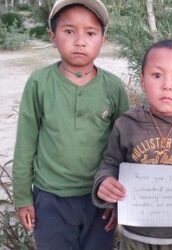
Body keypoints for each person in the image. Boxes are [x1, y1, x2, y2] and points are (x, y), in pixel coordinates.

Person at [12, 0, 130, 249]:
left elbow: (124, 148)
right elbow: (25, 143)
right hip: (50, 199)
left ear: (103, 39)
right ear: (52, 36)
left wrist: (118, 201)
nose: (80, 40)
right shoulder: (39, 83)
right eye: (69, 31)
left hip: (100, 198)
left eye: (90, 33)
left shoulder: (113, 87)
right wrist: (23, 198)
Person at [92, 39, 172, 250]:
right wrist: (104, 181)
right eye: (157, 75)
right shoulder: (126, 124)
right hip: (135, 235)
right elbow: (109, 163)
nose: (167, 85)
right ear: (142, 81)